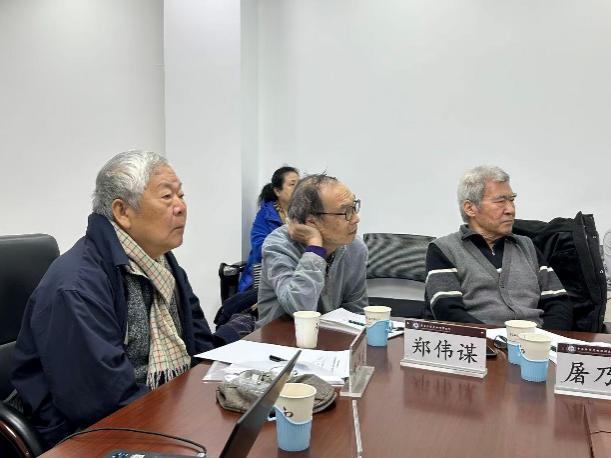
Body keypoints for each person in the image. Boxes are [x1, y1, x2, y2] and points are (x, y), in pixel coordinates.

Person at [10, 151, 254, 449]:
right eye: (167, 196)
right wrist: (187, 422)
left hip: (157, 411)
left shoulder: (162, 264)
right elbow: (102, 402)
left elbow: (198, 346)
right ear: (122, 212)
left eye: (181, 195)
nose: (181, 207)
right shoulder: (78, 286)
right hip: (92, 435)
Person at [424, 165, 572, 330]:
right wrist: (496, 339)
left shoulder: (527, 246)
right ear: (470, 208)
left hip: (535, 340)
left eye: (512, 200)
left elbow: (559, 302)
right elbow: (447, 310)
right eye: (500, 201)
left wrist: (546, 338)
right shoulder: (444, 249)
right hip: (478, 341)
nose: (511, 210)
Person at [257, 173, 368, 326]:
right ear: (312, 221)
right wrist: (315, 247)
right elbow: (299, 309)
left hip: (330, 335)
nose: (356, 219)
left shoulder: (355, 248)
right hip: (280, 336)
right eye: (346, 212)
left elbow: (356, 312)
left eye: (354, 208)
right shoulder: (278, 245)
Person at [238, 166, 299, 292]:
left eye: (300, 184)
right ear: (277, 191)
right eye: (292, 184)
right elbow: (260, 248)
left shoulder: (305, 214)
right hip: (265, 278)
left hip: (295, 275)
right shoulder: (265, 215)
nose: (298, 188)